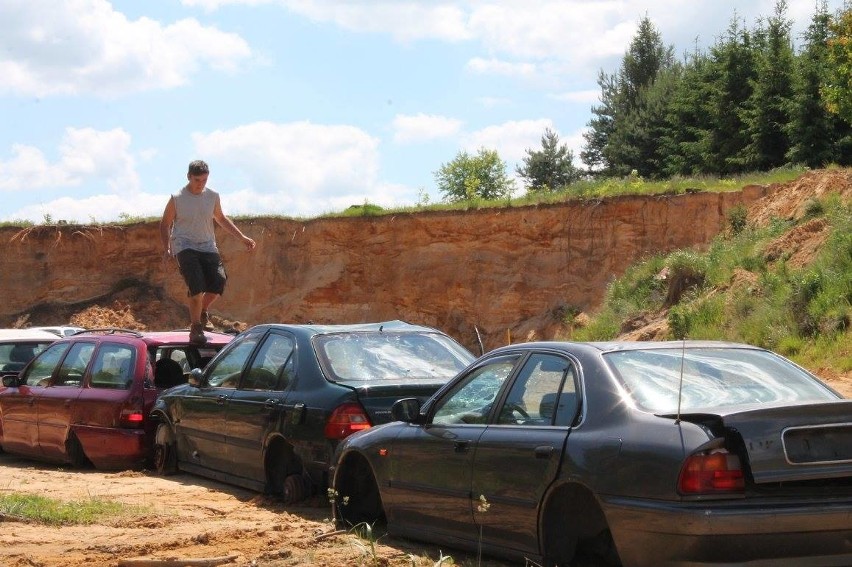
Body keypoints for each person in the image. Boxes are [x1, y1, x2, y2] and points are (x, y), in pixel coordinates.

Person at [160, 160, 256, 345]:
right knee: (196, 287)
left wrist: (242, 237)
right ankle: (195, 328)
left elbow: (220, 218)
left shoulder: (212, 196)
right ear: (188, 177)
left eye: (204, 180)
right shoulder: (177, 198)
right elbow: (165, 224)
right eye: (197, 180)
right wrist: (167, 248)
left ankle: (202, 311)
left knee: (218, 282)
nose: (201, 184)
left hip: (208, 246)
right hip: (185, 245)